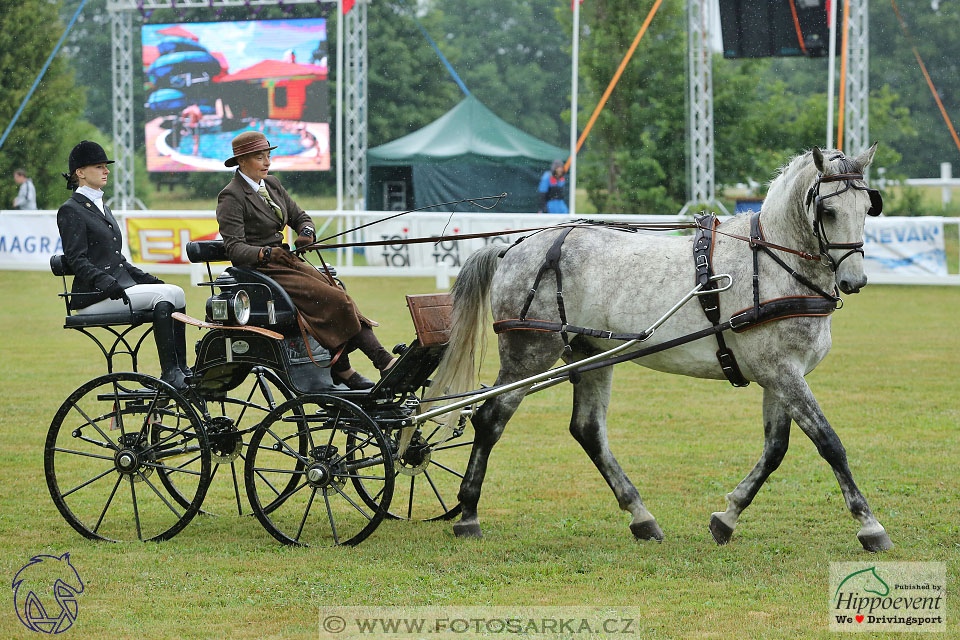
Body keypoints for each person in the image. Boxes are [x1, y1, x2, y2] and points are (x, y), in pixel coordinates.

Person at [215, 131, 395, 390]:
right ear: (241, 161)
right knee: (337, 300)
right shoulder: (231, 196)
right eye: (259, 157)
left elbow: (301, 216)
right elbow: (234, 248)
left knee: (337, 293)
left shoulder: (273, 185)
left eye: (268, 156)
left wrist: (306, 233)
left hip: (284, 261)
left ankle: (346, 367)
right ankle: (380, 362)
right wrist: (265, 253)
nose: (267, 162)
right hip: (261, 271)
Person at [56, 141, 191, 390]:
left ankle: (182, 368)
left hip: (117, 289)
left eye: (106, 167)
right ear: (80, 172)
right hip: (94, 296)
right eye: (99, 166)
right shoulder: (70, 210)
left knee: (176, 291)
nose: (106, 171)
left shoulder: (102, 207)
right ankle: (170, 372)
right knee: (164, 296)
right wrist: (106, 282)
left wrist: (148, 279)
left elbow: (118, 261)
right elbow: (76, 259)